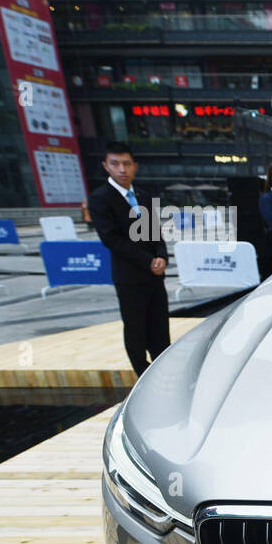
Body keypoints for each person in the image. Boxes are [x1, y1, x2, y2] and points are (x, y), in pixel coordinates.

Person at [87, 141, 170, 377]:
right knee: (135, 328)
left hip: (155, 275)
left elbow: (155, 232)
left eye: (126, 164)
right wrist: (148, 261)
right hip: (130, 276)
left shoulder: (144, 195)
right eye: (115, 164)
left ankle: (163, 369)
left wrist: (161, 257)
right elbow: (111, 239)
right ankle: (142, 374)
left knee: (160, 325)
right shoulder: (100, 198)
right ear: (106, 166)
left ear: (135, 166)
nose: (122, 169)